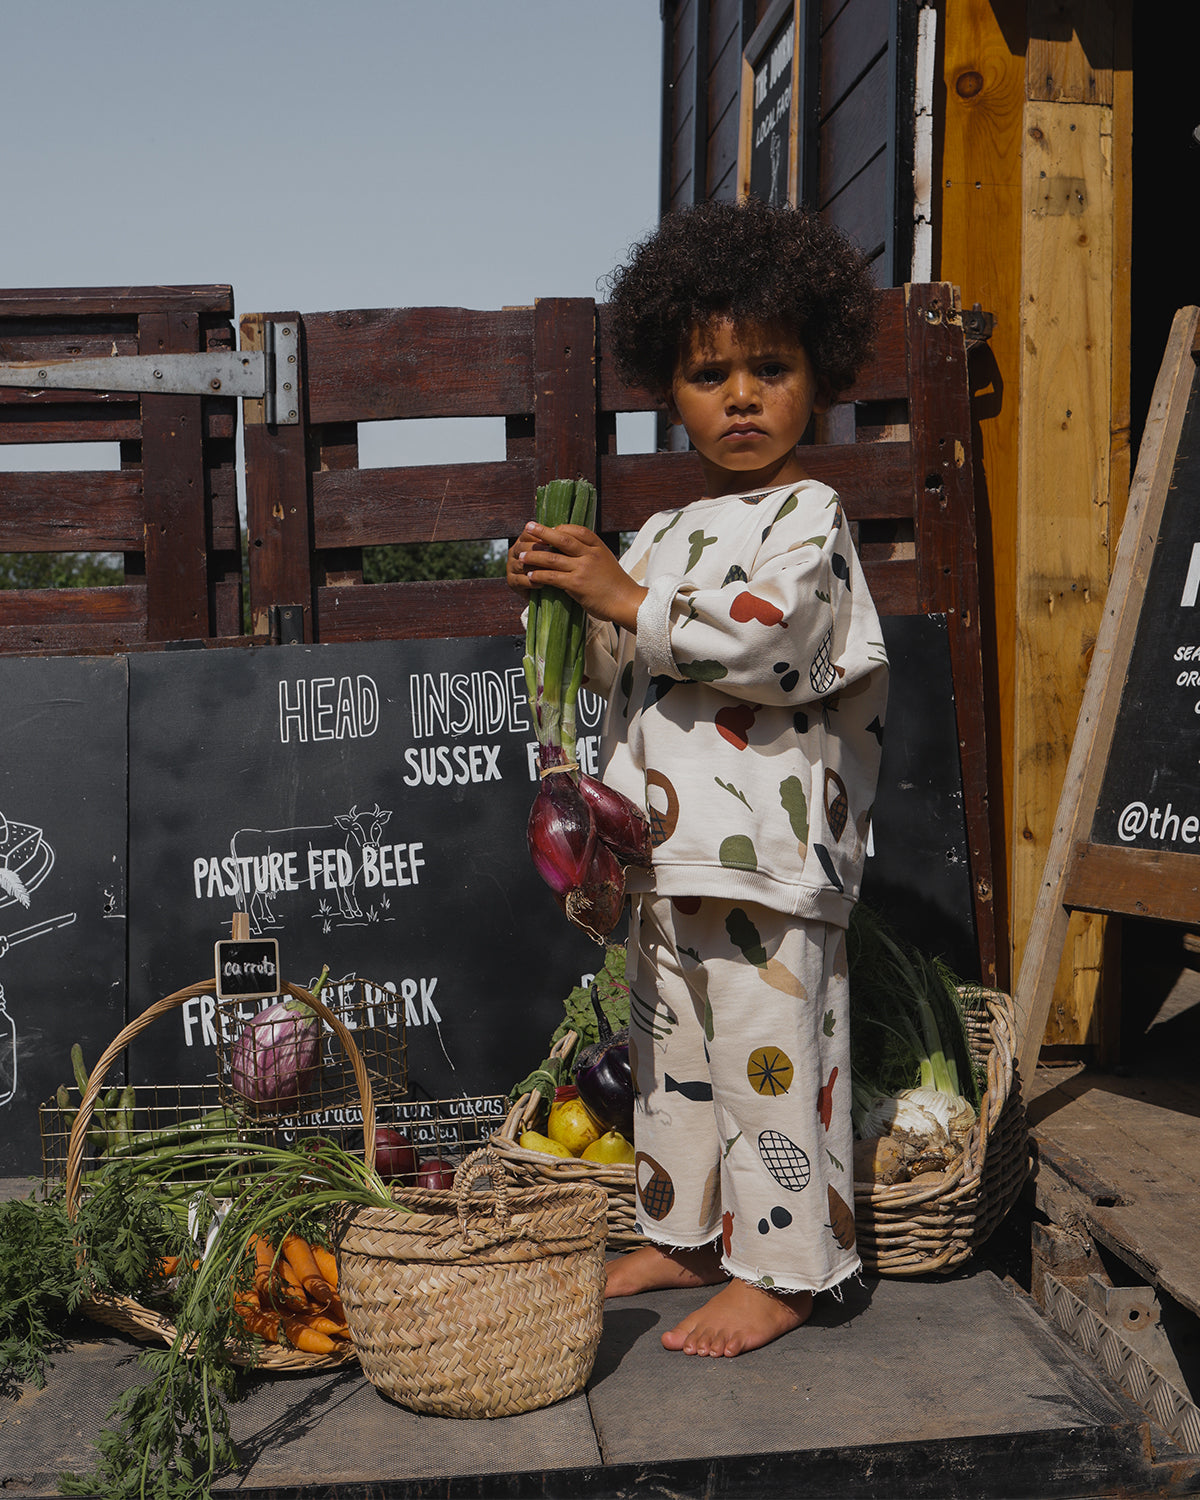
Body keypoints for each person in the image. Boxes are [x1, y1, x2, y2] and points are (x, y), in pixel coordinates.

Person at [506, 197, 888, 1358]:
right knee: (671, 1067)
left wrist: (627, 599)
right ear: (667, 390)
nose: (738, 395)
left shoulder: (809, 516)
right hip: (665, 860)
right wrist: (570, 602)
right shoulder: (665, 530)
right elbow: (639, 672)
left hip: (769, 862)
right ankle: (683, 1234)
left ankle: (786, 1268)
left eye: (769, 368)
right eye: (708, 372)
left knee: (771, 1066)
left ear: (817, 382)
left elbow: (774, 643)